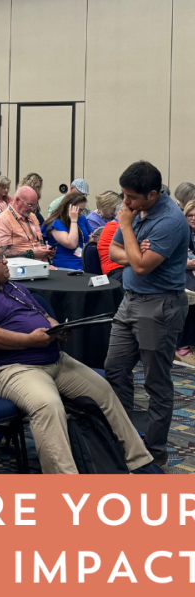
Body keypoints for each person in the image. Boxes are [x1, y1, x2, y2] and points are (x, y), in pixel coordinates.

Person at [0, 241, 156, 474]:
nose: (5, 261)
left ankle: (138, 462)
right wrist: (30, 340)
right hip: (6, 368)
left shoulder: (13, 287)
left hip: (52, 359)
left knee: (103, 391)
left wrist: (56, 328)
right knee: (47, 405)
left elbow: (44, 315)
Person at [106, 161, 190, 468]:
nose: (125, 203)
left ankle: (154, 453)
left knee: (156, 382)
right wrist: (135, 252)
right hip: (130, 300)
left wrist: (128, 230)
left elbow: (142, 266)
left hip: (160, 305)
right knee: (115, 369)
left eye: (131, 197)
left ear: (152, 194)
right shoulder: (135, 210)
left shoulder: (170, 220)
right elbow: (113, 252)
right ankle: (125, 441)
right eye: (124, 195)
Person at [0, 186, 55, 261]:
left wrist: (46, 250)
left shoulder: (32, 217)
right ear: (17, 200)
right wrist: (30, 254)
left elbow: (39, 242)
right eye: (29, 205)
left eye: (35, 206)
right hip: (20, 266)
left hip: (42, 264)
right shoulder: (3, 220)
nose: (32, 209)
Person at [42, 190, 93, 270]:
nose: (81, 213)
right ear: (69, 208)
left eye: (83, 210)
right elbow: (71, 244)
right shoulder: (56, 223)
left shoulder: (82, 219)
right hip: (67, 263)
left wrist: (93, 238)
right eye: (79, 210)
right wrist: (73, 221)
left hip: (84, 259)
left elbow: (89, 238)